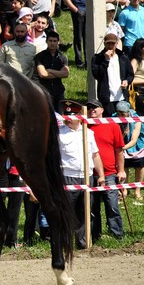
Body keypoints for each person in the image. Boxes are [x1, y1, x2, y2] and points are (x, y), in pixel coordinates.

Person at [57, 99, 106, 250]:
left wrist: (101, 175)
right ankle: (64, 243)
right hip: (68, 176)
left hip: (87, 177)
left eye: (72, 116)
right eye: (66, 116)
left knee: (85, 211)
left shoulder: (88, 133)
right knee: (67, 211)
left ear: (79, 117)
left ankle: (83, 242)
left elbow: (95, 155)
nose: (68, 119)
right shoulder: (59, 133)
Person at [86, 100, 125, 242]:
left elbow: (119, 150)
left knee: (112, 205)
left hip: (109, 173)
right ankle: (94, 235)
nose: (92, 110)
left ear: (102, 109)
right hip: (90, 174)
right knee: (92, 207)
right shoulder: (84, 126)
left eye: (95, 107)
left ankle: (117, 234)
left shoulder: (112, 125)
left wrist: (121, 170)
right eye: (89, 107)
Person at [115, 100, 144, 204]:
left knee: (140, 167)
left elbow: (134, 140)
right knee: (124, 167)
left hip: (137, 146)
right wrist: (124, 135)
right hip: (122, 145)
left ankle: (137, 190)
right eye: (118, 113)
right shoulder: (114, 118)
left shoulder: (136, 119)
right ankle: (124, 189)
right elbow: (116, 137)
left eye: (122, 113)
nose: (120, 116)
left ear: (128, 112)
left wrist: (121, 148)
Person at [34, 30, 68, 110]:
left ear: (58, 42)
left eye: (54, 41)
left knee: (60, 116)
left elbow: (65, 74)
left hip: (59, 91)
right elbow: (43, 74)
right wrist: (59, 74)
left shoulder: (62, 57)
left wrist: (49, 70)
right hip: (45, 92)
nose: (52, 43)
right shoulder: (39, 56)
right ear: (46, 41)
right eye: (50, 41)